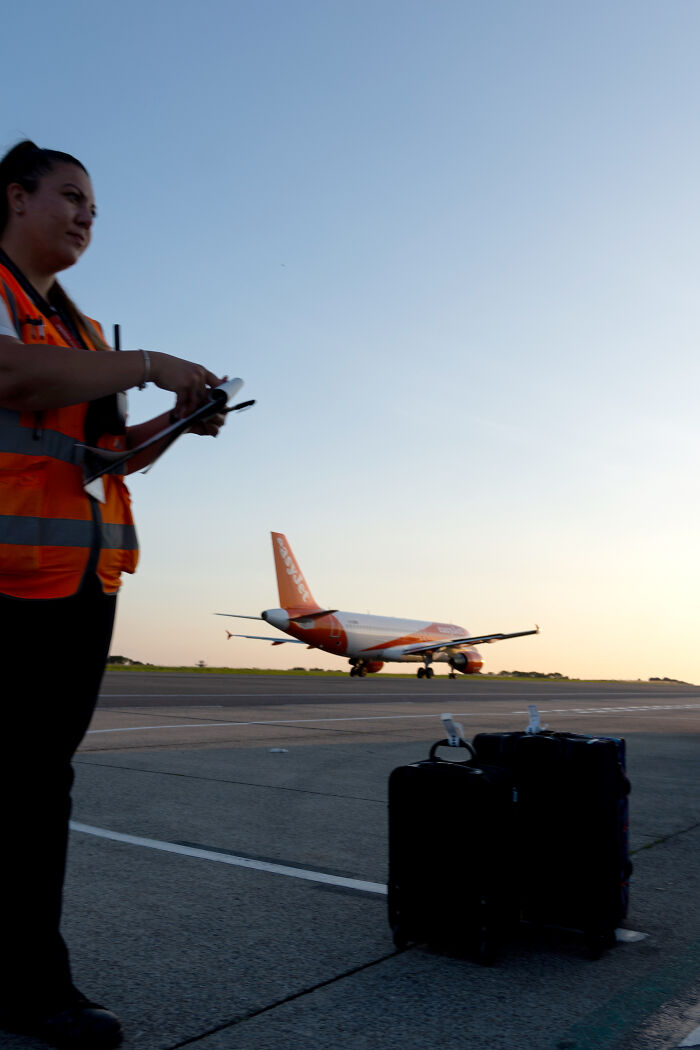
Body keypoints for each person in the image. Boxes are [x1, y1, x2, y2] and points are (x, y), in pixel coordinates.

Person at [0, 141, 227, 1050]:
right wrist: (151, 368)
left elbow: (105, 460)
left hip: (81, 581)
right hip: (7, 579)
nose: (88, 215)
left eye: (95, 205)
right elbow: (9, 376)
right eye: (70, 196)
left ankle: (27, 981)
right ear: (14, 198)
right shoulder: (21, 310)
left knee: (34, 787)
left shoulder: (87, 335)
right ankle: (31, 986)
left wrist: (177, 418)